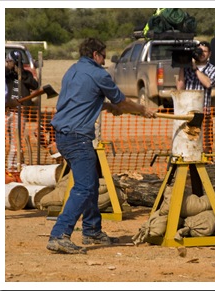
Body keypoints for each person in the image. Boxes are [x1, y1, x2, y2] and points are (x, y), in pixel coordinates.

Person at [47, 37, 157, 254]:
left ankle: (91, 231)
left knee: (91, 184)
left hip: (63, 134)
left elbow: (83, 99)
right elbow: (122, 101)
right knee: (85, 187)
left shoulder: (73, 69)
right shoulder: (99, 74)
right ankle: (59, 235)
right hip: (78, 137)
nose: (104, 60)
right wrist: (142, 110)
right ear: (96, 54)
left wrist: (106, 106)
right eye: (103, 56)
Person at [176, 41, 215, 196]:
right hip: (187, 115)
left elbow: (208, 83)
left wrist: (195, 69)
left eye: (205, 51)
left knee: (204, 148)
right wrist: (182, 65)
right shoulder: (188, 67)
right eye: (199, 51)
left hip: (204, 114)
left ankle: (205, 187)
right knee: (186, 150)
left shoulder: (212, 69)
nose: (201, 54)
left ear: (209, 54)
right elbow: (180, 87)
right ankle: (190, 187)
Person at [5, 50, 39, 171]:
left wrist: (22, 74)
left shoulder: (26, 75)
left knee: (16, 140)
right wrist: (8, 69)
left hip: (19, 111)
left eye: (11, 62)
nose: (9, 63)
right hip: (6, 110)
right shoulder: (6, 74)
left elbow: (35, 85)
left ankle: (12, 166)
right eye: (7, 61)